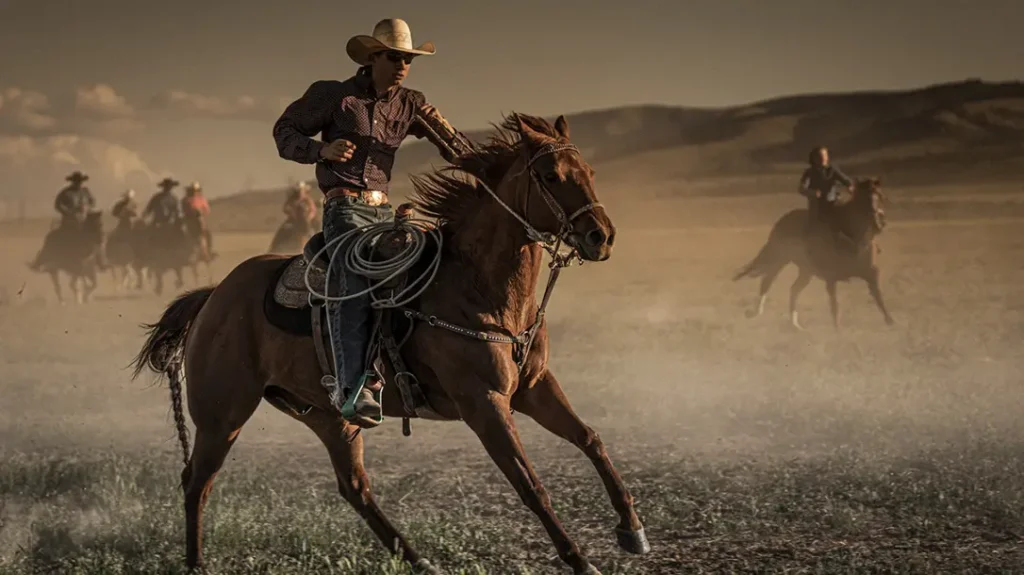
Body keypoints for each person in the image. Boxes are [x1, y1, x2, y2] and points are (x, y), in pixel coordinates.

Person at [272, 17, 472, 427]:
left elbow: (455, 146)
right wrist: (321, 150)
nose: (402, 66)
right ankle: (352, 387)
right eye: (395, 57)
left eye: (408, 60)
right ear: (373, 57)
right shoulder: (334, 96)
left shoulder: (412, 103)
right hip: (344, 208)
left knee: (430, 270)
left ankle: (415, 369)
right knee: (355, 285)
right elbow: (284, 130)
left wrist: (498, 167)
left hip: (384, 211)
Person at [29, 171, 96, 271]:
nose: (78, 183)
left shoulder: (86, 191)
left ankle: (101, 259)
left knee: (97, 235)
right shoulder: (65, 193)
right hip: (70, 221)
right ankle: (41, 260)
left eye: (80, 181)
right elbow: (58, 205)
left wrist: (87, 208)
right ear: (72, 181)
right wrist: (68, 212)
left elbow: (92, 202)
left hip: (84, 220)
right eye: (76, 181)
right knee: (55, 237)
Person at [798, 146, 854, 234]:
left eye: (824, 155)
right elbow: (801, 188)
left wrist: (850, 186)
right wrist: (812, 193)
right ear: (814, 158)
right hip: (817, 204)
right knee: (814, 225)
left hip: (833, 201)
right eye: (819, 156)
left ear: (827, 157)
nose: (822, 158)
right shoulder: (809, 172)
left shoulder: (832, 170)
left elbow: (846, 180)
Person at [181, 181, 216, 259]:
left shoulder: (201, 199)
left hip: (200, 221)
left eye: (195, 190)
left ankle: (208, 252)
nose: (194, 192)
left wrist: (200, 212)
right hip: (190, 221)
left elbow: (207, 210)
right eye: (193, 190)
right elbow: (184, 210)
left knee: (207, 235)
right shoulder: (186, 200)